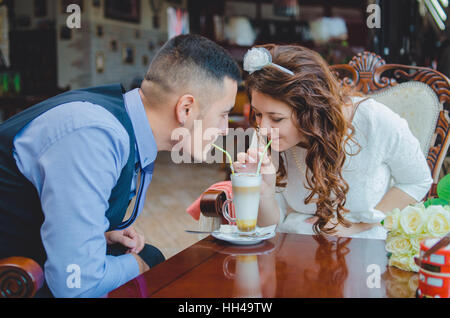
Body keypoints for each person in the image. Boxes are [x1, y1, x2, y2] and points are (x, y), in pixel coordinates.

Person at [0, 34, 241, 297]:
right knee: (147, 264)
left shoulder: (123, 125)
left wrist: (100, 232)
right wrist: (133, 266)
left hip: (33, 249)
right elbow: (76, 286)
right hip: (16, 273)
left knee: (152, 256)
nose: (224, 129)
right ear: (185, 109)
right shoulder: (94, 135)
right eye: (223, 114)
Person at [235, 44, 432, 240]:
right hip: (294, 244)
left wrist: (360, 225)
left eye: (277, 118)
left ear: (311, 111)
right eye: (258, 114)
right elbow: (269, 228)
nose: (263, 128)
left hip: (363, 242)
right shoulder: (267, 138)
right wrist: (264, 192)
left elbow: (416, 181)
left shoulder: (373, 120)